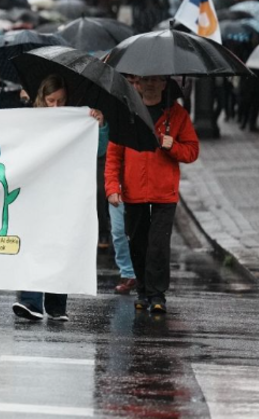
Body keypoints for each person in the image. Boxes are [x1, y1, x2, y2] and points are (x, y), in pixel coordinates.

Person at [11, 75, 104, 322]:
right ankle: (30, 300)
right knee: (34, 243)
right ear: (41, 98)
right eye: (50, 101)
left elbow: (99, 149)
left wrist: (97, 126)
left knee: (59, 243)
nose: (55, 107)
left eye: (60, 101)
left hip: (65, 192)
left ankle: (56, 304)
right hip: (37, 192)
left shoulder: (77, 118)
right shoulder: (31, 119)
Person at [106, 75, 199, 315]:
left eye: (156, 80)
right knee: (137, 244)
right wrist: (112, 187)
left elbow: (191, 151)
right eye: (145, 80)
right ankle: (143, 292)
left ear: (164, 84)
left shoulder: (177, 114)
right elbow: (114, 154)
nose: (150, 84)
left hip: (163, 193)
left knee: (158, 246)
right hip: (134, 191)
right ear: (138, 83)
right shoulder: (127, 112)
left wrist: (173, 146)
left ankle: (157, 295)